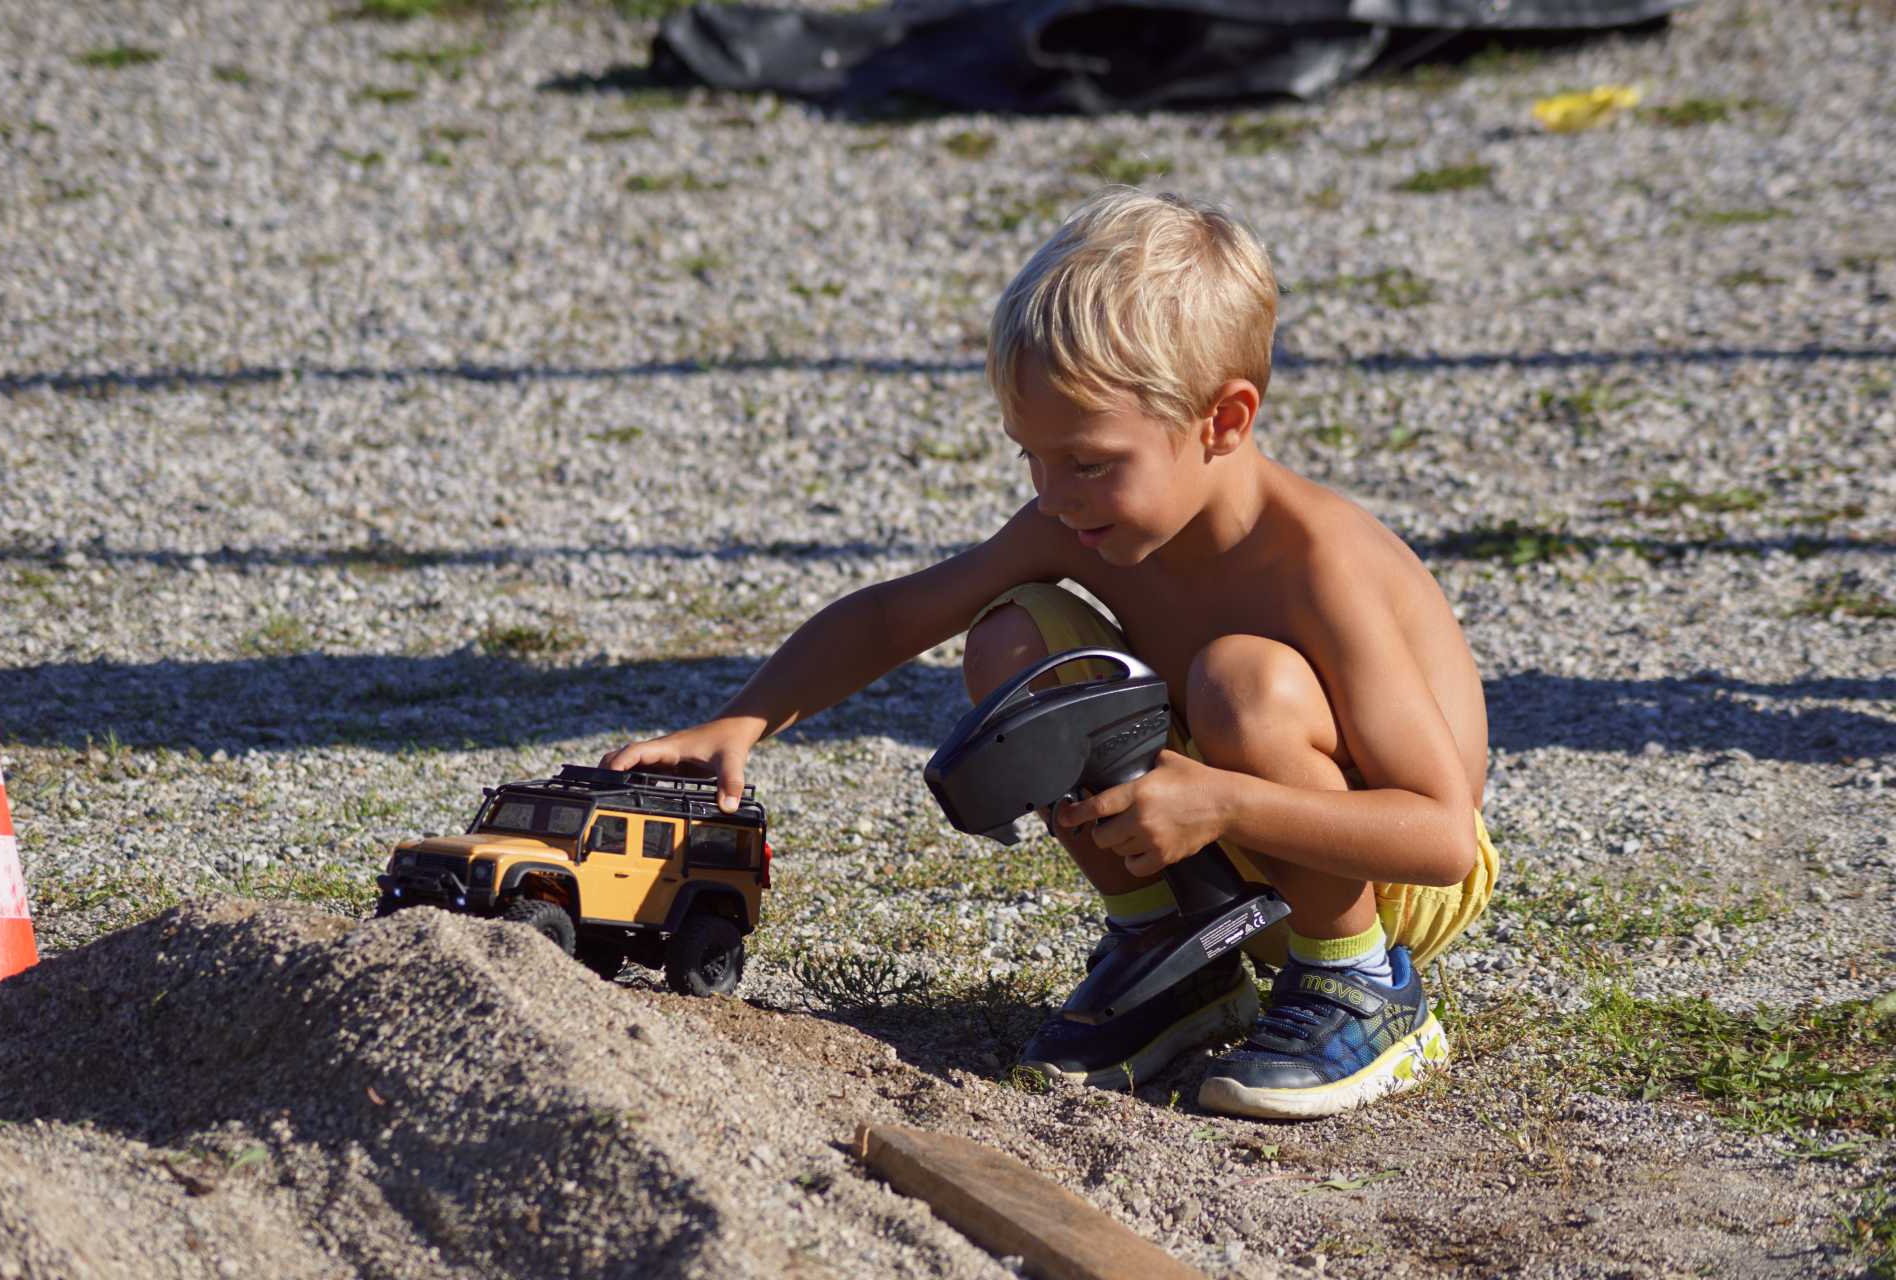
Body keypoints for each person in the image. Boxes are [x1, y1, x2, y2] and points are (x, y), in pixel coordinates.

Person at [603, 187, 1499, 1119]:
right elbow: (894, 617)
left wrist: (1224, 799)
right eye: (1029, 458)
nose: (1053, 494)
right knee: (1014, 637)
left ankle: (1359, 987)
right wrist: (742, 719)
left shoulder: (1319, 562)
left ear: (1223, 423)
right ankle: (1173, 952)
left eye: (1088, 461)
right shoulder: (1078, 523)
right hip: (1213, 831)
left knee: (1245, 680)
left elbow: (1440, 837)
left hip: (1385, 876)